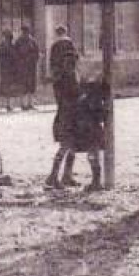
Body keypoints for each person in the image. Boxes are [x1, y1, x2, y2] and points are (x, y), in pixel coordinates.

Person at [45, 26, 81, 189]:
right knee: (66, 145)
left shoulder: (64, 77)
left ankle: (66, 175)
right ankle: (53, 176)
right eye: (70, 61)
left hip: (69, 114)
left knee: (72, 145)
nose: (72, 63)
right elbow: (73, 94)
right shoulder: (67, 78)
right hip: (67, 115)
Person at [71, 64, 109, 192]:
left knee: (93, 155)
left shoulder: (89, 100)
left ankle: (96, 181)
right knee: (93, 155)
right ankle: (96, 180)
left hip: (91, 131)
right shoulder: (89, 100)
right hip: (91, 131)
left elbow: (97, 115)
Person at [11, 25, 40, 111]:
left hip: (31, 66)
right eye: (24, 32)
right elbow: (15, 54)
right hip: (22, 67)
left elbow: (36, 52)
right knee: (23, 85)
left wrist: (33, 59)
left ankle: (30, 103)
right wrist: (19, 62)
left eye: (26, 32)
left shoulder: (32, 41)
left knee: (31, 85)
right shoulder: (19, 41)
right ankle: (23, 104)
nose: (25, 34)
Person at [0, 29, 17, 111]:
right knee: (6, 86)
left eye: (8, 37)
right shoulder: (2, 46)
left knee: (11, 87)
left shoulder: (12, 46)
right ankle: (7, 104)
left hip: (11, 69)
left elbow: (15, 57)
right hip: (5, 69)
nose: (6, 39)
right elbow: (0, 57)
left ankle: (10, 104)